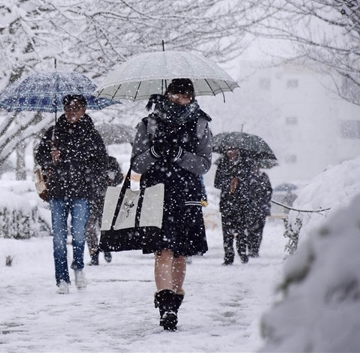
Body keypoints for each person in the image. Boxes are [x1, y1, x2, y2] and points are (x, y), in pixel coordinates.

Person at [130, 78, 212, 331]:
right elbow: (136, 164)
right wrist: (155, 152)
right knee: (162, 250)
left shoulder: (200, 124)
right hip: (157, 194)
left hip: (187, 196)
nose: (179, 100)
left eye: (185, 95)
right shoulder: (149, 124)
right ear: (167, 95)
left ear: (192, 97)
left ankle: (174, 305)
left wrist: (179, 155)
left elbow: (204, 164)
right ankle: (165, 306)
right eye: (175, 95)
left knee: (180, 253)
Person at [34, 95, 108, 294]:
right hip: (57, 192)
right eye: (68, 108)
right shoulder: (54, 132)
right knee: (58, 239)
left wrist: (83, 166)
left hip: (81, 192)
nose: (71, 112)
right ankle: (61, 279)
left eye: (76, 108)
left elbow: (102, 162)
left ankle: (78, 268)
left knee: (78, 234)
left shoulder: (91, 134)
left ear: (84, 109)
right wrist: (51, 158)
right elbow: (39, 156)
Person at [214, 148, 257, 265]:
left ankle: (242, 253)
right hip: (226, 203)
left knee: (241, 231)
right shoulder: (222, 163)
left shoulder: (246, 163)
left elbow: (251, 182)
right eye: (228, 150)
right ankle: (228, 256)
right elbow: (217, 183)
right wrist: (229, 182)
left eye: (232, 150)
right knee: (227, 232)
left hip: (241, 204)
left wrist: (239, 182)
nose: (230, 153)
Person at [86, 156, 124, 266]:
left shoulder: (110, 161)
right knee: (91, 228)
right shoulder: (87, 161)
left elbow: (119, 177)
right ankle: (95, 254)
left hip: (104, 198)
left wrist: (112, 179)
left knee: (102, 225)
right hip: (92, 198)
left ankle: (105, 248)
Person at [247, 167, 272, 257]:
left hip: (261, 208)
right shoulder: (247, 176)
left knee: (259, 229)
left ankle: (255, 249)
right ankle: (251, 248)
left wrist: (263, 200)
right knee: (250, 229)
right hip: (250, 208)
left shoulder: (263, 176)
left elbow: (269, 191)